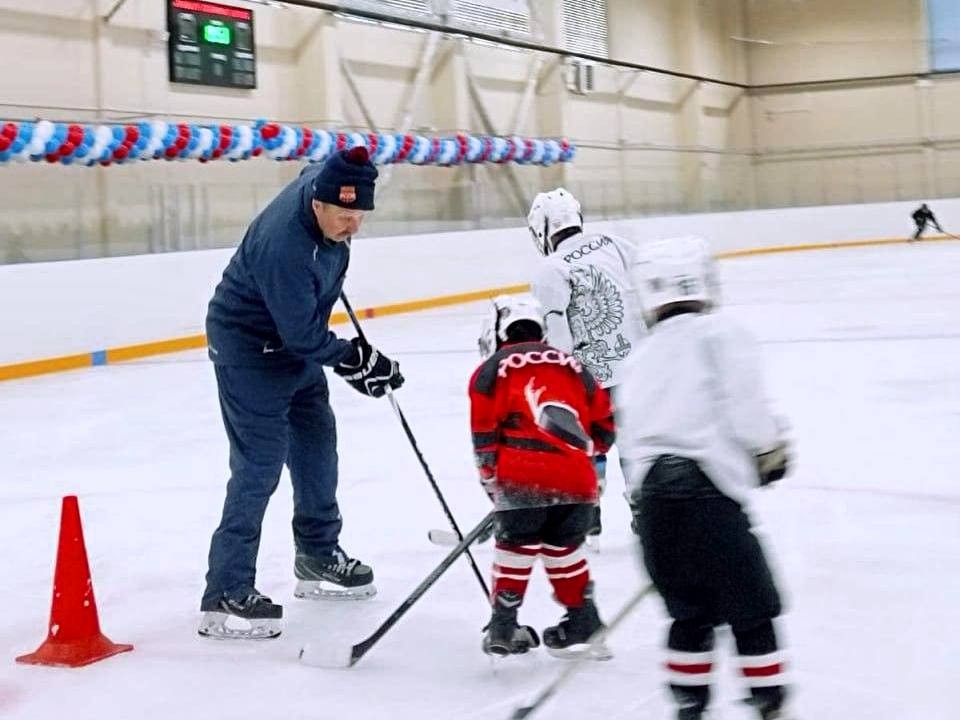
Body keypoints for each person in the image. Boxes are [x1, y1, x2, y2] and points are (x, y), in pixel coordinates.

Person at [198, 146, 405, 640]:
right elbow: (304, 338)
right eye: (344, 216)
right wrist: (358, 360)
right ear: (316, 204)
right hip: (249, 349)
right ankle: (224, 590)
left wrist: (354, 364)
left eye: (360, 216)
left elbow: (325, 164)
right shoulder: (285, 247)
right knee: (259, 467)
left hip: (292, 341)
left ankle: (316, 554)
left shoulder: (326, 183)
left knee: (317, 449)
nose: (352, 226)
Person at [618, 236, 792, 720]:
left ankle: (690, 709)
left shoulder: (637, 358)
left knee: (688, 617)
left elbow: (630, 442)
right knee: (752, 611)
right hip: (709, 498)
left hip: (654, 504)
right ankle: (770, 706)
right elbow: (747, 409)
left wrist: (647, 511)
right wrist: (768, 449)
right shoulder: (721, 334)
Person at [468, 295, 615, 658]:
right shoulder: (575, 366)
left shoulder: (490, 370)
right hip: (578, 481)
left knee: (515, 548)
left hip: (522, 477)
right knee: (564, 548)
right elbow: (605, 428)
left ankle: (503, 625)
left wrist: (491, 481)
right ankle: (583, 617)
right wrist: (579, 459)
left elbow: (484, 436)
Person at [527, 187, 643, 540]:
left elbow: (558, 335)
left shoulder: (551, 268)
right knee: (635, 445)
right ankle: (646, 512)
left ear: (542, 230)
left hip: (592, 381)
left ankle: (587, 514)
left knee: (586, 445)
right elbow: (646, 291)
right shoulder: (616, 244)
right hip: (639, 368)